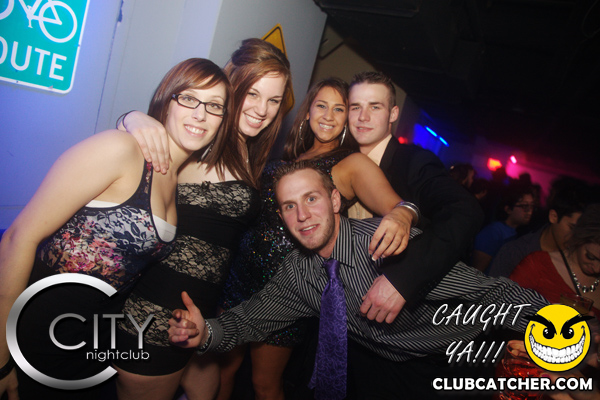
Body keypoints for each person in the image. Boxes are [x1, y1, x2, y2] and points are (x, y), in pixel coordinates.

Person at [168, 162, 549, 400]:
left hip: (456, 363)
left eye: (312, 199)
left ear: (335, 200)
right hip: (386, 368)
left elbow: (494, 292)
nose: (302, 215)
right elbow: (251, 319)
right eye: (289, 206)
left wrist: (565, 337)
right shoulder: (298, 272)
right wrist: (206, 332)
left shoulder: (392, 248)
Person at [0, 57, 230, 399]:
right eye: (189, 98)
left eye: (214, 106)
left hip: (89, 340)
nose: (200, 114)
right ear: (167, 101)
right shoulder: (121, 149)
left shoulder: (176, 177)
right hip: (35, 327)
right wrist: (2, 359)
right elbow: (18, 238)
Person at [113, 39, 293, 400]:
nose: (262, 110)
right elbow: (145, 147)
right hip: (157, 314)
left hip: (198, 316)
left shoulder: (247, 149)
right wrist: (132, 119)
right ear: (231, 86)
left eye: (274, 100)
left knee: (209, 390)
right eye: (253, 94)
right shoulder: (202, 137)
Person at [217, 77, 414, 400]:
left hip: (284, 289)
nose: (328, 116)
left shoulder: (351, 164)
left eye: (339, 109)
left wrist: (403, 217)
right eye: (321, 106)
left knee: (264, 384)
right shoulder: (287, 157)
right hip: (239, 276)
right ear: (308, 111)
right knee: (222, 371)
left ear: (347, 118)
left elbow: (398, 208)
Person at [346, 71, 484, 306]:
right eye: (355, 107)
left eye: (375, 107)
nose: (363, 117)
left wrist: (404, 278)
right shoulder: (340, 162)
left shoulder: (413, 162)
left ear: (393, 114)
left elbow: (465, 210)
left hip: (391, 310)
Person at [487, 176, 590, 278]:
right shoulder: (516, 251)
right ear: (553, 217)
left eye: (531, 206)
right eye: (572, 228)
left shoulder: (578, 262)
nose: (576, 236)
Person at [510, 203, 600, 315]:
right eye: (590, 256)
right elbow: (501, 310)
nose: (597, 268)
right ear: (580, 239)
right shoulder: (538, 265)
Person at [472, 182, 535, 271]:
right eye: (524, 206)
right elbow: (477, 270)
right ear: (508, 209)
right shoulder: (493, 232)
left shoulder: (522, 233)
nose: (529, 211)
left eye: (531, 206)